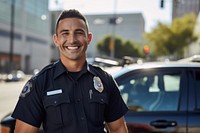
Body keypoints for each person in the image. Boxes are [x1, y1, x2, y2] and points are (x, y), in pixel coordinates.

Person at [12, 9, 128, 133]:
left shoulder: (105, 80)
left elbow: (119, 129)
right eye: (65, 33)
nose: (72, 40)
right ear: (56, 40)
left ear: (88, 38)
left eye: (78, 33)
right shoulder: (40, 83)